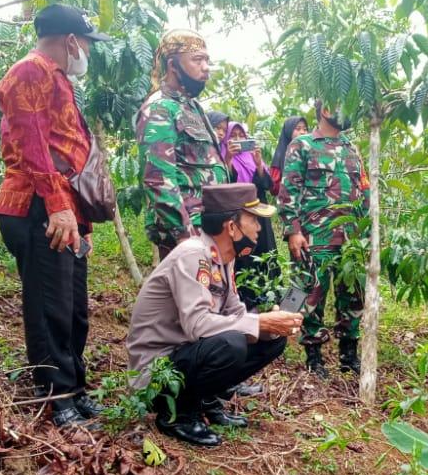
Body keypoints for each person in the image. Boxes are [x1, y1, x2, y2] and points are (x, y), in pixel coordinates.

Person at [0, 4, 112, 427]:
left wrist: (81, 222)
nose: (88, 54)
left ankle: (74, 388)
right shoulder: (31, 70)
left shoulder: (56, 78)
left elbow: (67, 154)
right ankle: (55, 396)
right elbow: (32, 142)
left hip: (62, 208)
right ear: (72, 41)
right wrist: (58, 207)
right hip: (36, 205)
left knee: (74, 305)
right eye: (88, 46)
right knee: (49, 305)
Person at [126, 183, 303, 447]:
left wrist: (269, 325)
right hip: (156, 375)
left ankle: (206, 400)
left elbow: (234, 312)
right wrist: (257, 322)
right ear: (231, 227)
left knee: (271, 339)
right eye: (253, 219)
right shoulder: (193, 255)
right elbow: (197, 325)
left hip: (185, 358)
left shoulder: (223, 258)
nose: (258, 228)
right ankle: (177, 415)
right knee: (230, 343)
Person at [277, 100, 369, 378]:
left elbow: (363, 190)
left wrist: (368, 234)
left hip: (351, 239)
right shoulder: (302, 146)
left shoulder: (352, 148)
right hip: (313, 237)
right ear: (326, 110)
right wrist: (293, 231)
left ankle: (348, 355)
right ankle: (313, 357)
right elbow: (288, 191)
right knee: (310, 294)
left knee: (353, 296)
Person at [136, 29, 228, 261]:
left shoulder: (192, 107)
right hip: (188, 232)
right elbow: (158, 179)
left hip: (209, 225)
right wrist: (185, 235)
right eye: (197, 60)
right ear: (173, 65)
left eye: (207, 60)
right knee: (190, 296)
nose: (206, 67)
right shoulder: (160, 108)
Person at [220, 121, 278, 309]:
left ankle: (269, 297)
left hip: (259, 212)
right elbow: (225, 182)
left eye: (241, 135)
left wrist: (259, 163)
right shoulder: (222, 157)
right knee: (243, 253)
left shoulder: (251, 157)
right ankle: (244, 299)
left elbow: (267, 185)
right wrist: (228, 158)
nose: (237, 139)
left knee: (265, 250)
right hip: (238, 215)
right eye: (233, 135)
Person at [269, 116, 309, 195]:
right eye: (298, 129)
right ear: (288, 131)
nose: (302, 132)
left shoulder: (311, 152)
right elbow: (273, 188)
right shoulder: (280, 155)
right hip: (288, 201)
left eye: (305, 129)